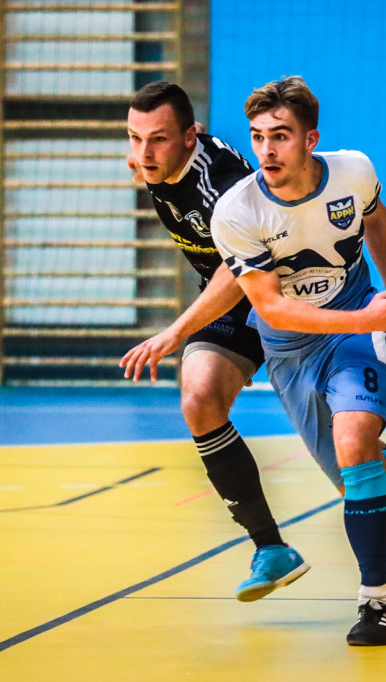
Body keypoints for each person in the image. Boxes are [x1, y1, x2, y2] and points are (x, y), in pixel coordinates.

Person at [211, 76, 386, 646]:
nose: (267, 149)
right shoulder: (237, 211)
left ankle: (374, 607)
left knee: (356, 447)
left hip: (354, 332)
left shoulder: (353, 171)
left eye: (281, 136)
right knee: (361, 483)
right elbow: (273, 306)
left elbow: (376, 220)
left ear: (310, 139)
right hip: (292, 347)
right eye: (258, 137)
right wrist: (374, 318)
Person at [121, 81, 309, 601]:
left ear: (191, 136)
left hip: (289, 294)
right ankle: (270, 548)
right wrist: (143, 154)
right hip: (232, 301)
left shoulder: (218, 184)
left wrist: (175, 332)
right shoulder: (152, 162)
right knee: (200, 399)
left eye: (156, 140)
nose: (143, 154)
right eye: (133, 139)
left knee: (347, 449)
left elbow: (238, 266)